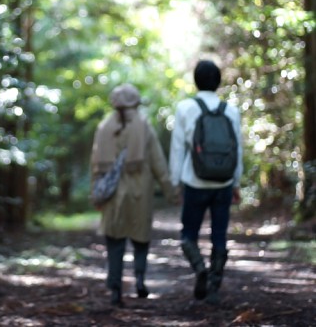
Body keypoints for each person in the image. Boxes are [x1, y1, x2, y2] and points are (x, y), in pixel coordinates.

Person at [90, 83, 179, 307]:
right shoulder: (144, 126)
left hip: (112, 196)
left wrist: (96, 195)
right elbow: (158, 162)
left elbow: (95, 165)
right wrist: (170, 191)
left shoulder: (103, 128)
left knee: (115, 242)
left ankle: (116, 289)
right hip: (140, 192)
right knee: (141, 239)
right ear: (135, 102)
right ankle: (140, 279)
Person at [169, 60, 243, 305]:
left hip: (195, 181)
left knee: (188, 232)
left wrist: (175, 181)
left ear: (196, 80)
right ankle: (214, 284)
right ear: (218, 81)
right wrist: (236, 182)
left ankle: (199, 267)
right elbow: (237, 149)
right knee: (219, 234)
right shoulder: (230, 110)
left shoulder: (186, 107)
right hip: (223, 183)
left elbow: (178, 148)